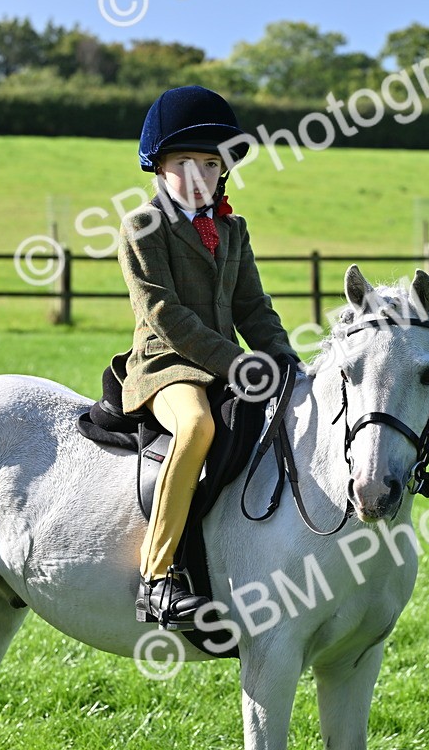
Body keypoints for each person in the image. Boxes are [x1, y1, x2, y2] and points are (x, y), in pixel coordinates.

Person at [118, 85, 298, 630]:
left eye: (210, 163)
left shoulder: (231, 230)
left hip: (225, 363)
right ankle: (158, 578)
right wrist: (235, 363)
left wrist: (285, 361)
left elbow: (253, 307)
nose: (198, 174)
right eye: (183, 162)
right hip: (166, 365)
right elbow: (164, 314)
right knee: (196, 426)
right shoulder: (141, 228)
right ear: (158, 165)